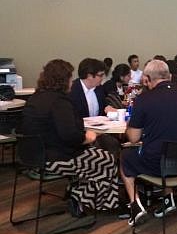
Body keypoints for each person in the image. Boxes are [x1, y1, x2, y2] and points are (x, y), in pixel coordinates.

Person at [18, 59, 119, 216]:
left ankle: (79, 194)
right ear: (63, 80)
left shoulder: (36, 98)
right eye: (70, 78)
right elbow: (70, 136)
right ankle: (88, 200)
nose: (72, 81)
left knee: (97, 156)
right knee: (105, 159)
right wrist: (89, 137)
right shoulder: (59, 102)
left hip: (31, 156)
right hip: (54, 159)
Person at [120, 60, 177, 226]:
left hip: (159, 164)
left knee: (126, 156)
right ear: (169, 76)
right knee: (166, 146)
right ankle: (168, 198)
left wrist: (129, 126)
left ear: (147, 79)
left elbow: (134, 138)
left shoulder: (144, 100)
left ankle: (135, 206)